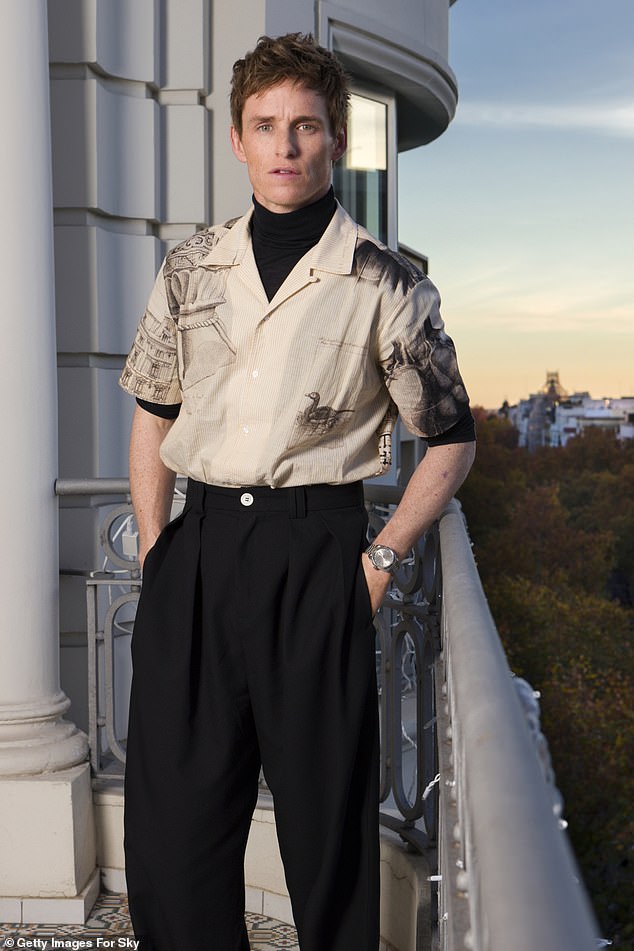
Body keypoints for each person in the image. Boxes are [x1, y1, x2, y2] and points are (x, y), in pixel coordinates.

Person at [119, 32, 476, 951]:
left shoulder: (386, 285)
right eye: (266, 125)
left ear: (335, 141)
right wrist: (161, 552)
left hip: (317, 554)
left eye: (306, 126)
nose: (286, 145)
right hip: (197, 556)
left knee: (327, 840)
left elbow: (450, 438)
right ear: (238, 140)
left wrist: (381, 560)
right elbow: (154, 417)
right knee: (171, 843)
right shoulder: (191, 266)